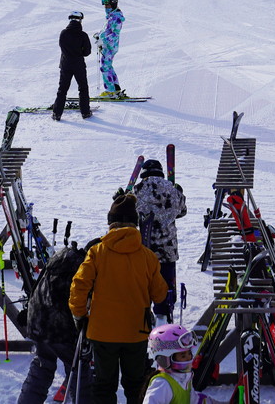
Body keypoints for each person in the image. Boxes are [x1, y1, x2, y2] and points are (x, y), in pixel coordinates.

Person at [69, 193, 168, 404]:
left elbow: (79, 286)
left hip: (102, 332)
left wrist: (79, 315)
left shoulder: (97, 252)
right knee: (135, 385)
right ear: (135, 224)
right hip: (136, 332)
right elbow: (160, 294)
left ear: (110, 223)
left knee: (104, 386)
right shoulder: (148, 256)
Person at [17, 243, 89, 404]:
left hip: (39, 321)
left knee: (42, 367)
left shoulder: (61, 257)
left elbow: (38, 286)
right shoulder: (84, 268)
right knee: (79, 371)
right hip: (61, 329)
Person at [132, 160, 187, 324]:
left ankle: (143, 320)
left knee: (145, 287)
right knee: (165, 289)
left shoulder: (138, 189)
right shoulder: (172, 189)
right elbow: (182, 211)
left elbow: (131, 217)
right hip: (168, 250)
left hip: (145, 250)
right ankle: (164, 318)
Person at [141, 323, 232, 404]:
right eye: (183, 356)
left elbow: (194, 400)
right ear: (165, 359)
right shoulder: (162, 383)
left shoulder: (183, 377)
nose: (189, 358)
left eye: (189, 353)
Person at [52, 11, 93, 121]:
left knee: (62, 89)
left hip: (65, 64)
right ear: (80, 20)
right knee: (83, 88)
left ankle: (57, 114)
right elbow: (87, 52)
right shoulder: (83, 35)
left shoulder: (63, 33)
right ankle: (85, 112)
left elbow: (62, 46)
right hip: (78, 64)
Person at [96, 0, 126, 98]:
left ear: (113, 5)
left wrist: (102, 40)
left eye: (107, 5)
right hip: (108, 46)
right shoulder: (111, 17)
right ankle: (116, 89)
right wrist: (99, 35)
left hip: (110, 46)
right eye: (104, 6)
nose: (105, 7)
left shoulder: (116, 18)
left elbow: (114, 34)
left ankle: (110, 91)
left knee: (104, 67)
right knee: (108, 66)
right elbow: (107, 31)